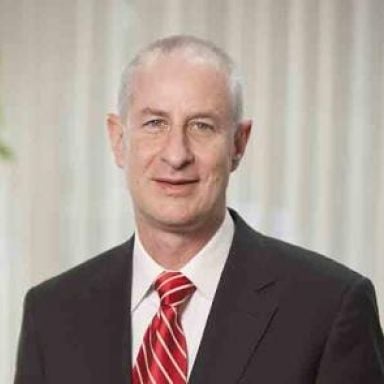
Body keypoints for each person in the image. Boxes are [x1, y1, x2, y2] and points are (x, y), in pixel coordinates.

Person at [14, 35, 384, 384]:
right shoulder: (51, 314)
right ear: (118, 139)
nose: (176, 155)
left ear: (238, 144)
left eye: (202, 126)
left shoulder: (330, 306)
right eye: (155, 123)